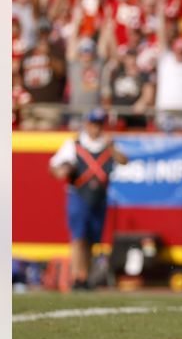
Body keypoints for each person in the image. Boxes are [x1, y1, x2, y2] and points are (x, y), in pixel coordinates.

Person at [48, 108, 129, 290]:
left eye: (100, 124)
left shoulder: (108, 145)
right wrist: (61, 171)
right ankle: (77, 276)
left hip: (99, 196)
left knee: (92, 239)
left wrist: (111, 147)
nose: (96, 128)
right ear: (87, 124)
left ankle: (85, 276)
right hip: (78, 195)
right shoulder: (74, 144)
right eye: (93, 124)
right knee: (79, 237)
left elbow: (124, 160)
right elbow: (55, 166)